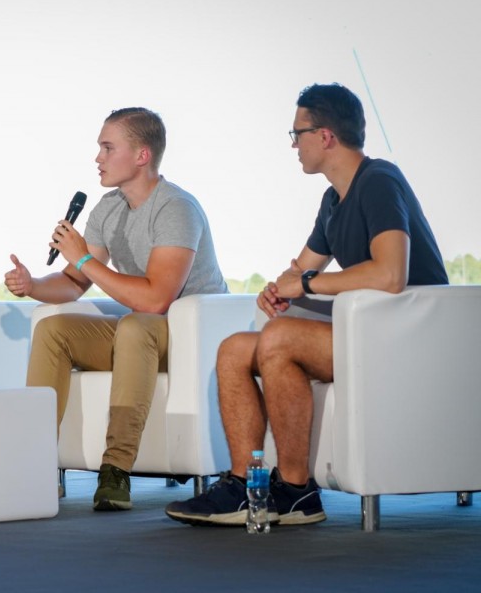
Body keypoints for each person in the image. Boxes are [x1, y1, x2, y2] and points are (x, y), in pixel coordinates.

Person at [165, 83, 449, 527]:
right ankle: (243, 486)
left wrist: (307, 282)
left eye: (297, 134)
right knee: (234, 348)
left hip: (407, 335)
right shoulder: (332, 200)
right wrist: (278, 289)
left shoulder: (379, 180)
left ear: (326, 136)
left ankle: (297, 491)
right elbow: (300, 269)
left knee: (279, 338)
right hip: (365, 332)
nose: (294, 144)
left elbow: (390, 273)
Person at [4, 107, 228, 511]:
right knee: (54, 331)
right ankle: (32, 463)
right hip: (143, 332)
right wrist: (33, 285)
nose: (98, 158)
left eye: (108, 148)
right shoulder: (107, 207)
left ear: (142, 155)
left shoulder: (176, 208)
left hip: (193, 335)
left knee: (135, 325)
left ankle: (116, 469)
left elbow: (157, 300)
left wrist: (84, 259)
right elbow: (74, 282)